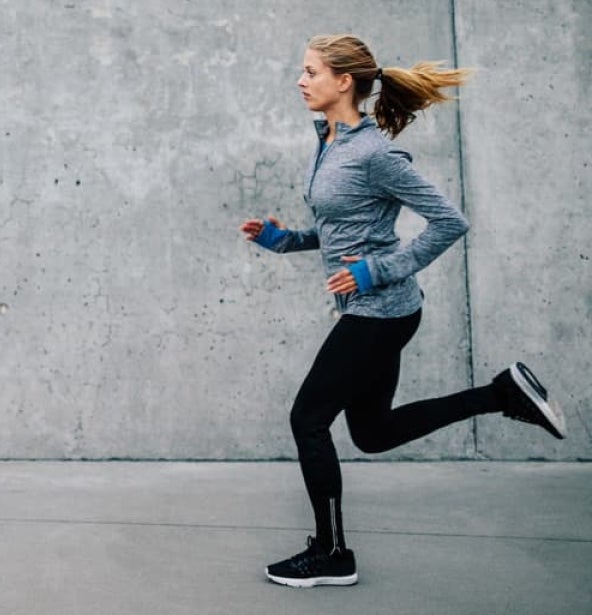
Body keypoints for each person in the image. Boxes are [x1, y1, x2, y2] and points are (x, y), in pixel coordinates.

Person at [239, 34, 566, 588]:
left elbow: (450, 222)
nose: (301, 80)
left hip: (380, 310)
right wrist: (285, 239)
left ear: (344, 82)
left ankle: (332, 552)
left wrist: (376, 271)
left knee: (307, 418)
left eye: (311, 71)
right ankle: (501, 393)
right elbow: (348, 229)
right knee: (373, 432)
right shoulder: (331, 140)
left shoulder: (374, 153)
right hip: (376, 309)